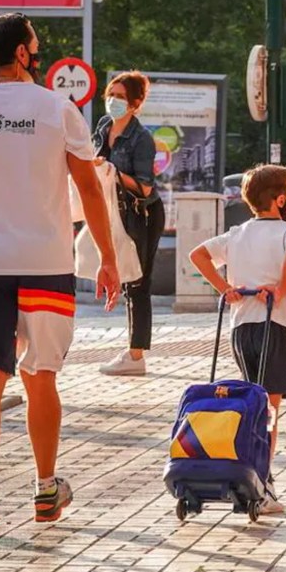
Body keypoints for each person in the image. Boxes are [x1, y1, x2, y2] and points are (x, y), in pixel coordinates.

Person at [0, 12, 121, 541]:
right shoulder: (58, 111)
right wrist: (107, 258)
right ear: (21, 54)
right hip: (45, 264)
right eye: (35, 46)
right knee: (41, 380)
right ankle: (43, 488)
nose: (38, 52)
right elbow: (88, 189)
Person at [189, 164, 286, 514]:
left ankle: (248, 477)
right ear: (281, 198)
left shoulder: (237, 233)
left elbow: (198, 254)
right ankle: (262, 484)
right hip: (275, 324)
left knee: (253, 403)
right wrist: (282, 286)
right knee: (268, 410)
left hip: (241, 328)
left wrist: (225, 288)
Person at [94, 72, 164, 377]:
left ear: (135, 103)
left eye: (121, 97)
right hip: (114, 212)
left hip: (142, 214)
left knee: (138, 281)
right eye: (111, 94)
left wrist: (112, 171)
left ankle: (136, 356)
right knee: (123, 278)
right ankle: (133, 352)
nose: (114, 101)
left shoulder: (142, 139)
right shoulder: (103, 126)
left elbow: (145, 188)